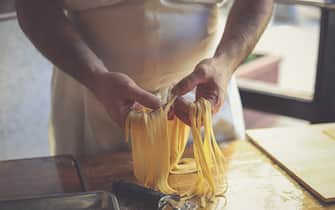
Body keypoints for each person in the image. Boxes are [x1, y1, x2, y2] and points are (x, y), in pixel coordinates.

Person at [16, 0, 273, 157]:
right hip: (93, 103)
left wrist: (225, 64)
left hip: (204, 105)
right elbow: (34, 5)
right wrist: (96, 76)